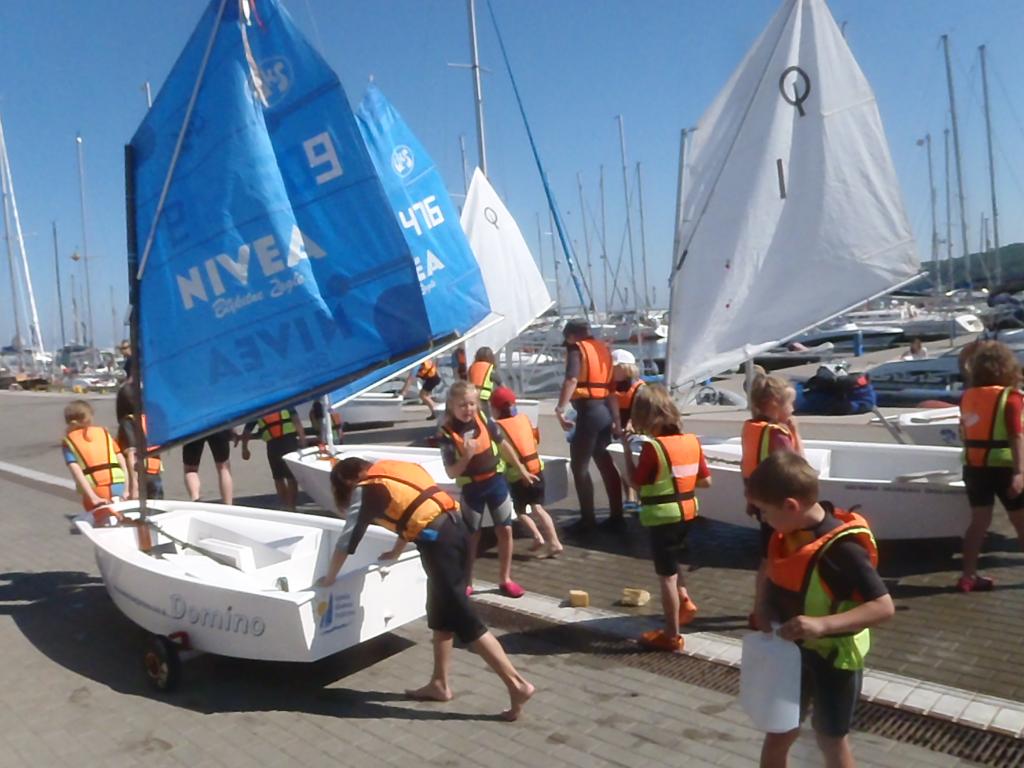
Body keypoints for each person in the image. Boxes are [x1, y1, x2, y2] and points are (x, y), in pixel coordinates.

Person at [317, 457, 534, 720]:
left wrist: (329, 578)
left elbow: (348, 538)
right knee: (440, 613)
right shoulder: (395, 470)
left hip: (440, 544)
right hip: (458, 531)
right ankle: (440, 684)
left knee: (465, 620)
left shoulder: (367, 488)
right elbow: (413, 508)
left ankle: (517, 684)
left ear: (349, 481)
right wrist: (396, 551)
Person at [747, 452, 894, 768]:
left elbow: (883, 608)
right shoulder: (787, 534)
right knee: (779, 729)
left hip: (834, 660)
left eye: (764, 512)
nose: (763, 520)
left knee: (830, 738)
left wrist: (822, 625)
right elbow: (771, 572)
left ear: (790, 506)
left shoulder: (844, 551)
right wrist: (763, 605)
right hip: (792, 655)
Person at [619, 384, 710, 652]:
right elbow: (706, 481)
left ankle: (671, 635)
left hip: (662, 518)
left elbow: (636, 484)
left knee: (666, 576)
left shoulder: (654, 448)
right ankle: (684, 601)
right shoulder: (692, 441)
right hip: (688, 514)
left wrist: (626, 452)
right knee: (674, 562)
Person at [438, 381, 537, 598]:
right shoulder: (446, 434)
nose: (468, 409)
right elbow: (451, 473)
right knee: (472, 536)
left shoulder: (484, 420)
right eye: (462, 405)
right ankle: (467, 580)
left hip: (496, 483)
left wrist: (521, 470)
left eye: (472, 404)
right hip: (472, 488)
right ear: (452, 406)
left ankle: (505, 579)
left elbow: (503, 445)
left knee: (506, 529)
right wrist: (467, 455)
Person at [956, 340, 1024, 592]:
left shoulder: (968, 396)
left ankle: (968, 576)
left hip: (974, 466)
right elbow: (1016, 435)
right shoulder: (1011, 398)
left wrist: (971, 351)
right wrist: (1019, 472)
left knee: (978, 523)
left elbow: (962, 431)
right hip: (1004, 467)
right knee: (1020, 523)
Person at [742, 374, 804, 628]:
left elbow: (747, 463)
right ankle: (771, 609)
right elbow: (797, 467)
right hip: (780, 508)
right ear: (774, 404)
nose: (793, 409)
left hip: (761, 502)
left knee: (767, 558)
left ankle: (759, 610)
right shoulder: (778, 434)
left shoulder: (751, 427)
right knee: (780, 559)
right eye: (790, 403)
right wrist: (795, 432)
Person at [555, 319, 624, 533]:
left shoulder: (577, 349)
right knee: (604, 461)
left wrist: (560, 409)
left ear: (571, 336)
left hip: (589, 413)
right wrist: (617, 421)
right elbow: (611, 391)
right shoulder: (604, 350)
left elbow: (571, 380)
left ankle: (588, 520)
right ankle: (617, 515)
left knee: (579, 467)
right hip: (603, 411)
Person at [491, 386, 564, 558]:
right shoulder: (524, 419)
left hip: (519, 476)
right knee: (538, 507)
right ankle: (553, 541)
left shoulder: (498, 428)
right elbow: (534, 440)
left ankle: (540, 538)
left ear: (495, 409)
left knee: (520, 511)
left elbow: (500, 455)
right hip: (537, 470)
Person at [62, 399, 130, 524]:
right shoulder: (104, 433)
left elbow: (77, 472)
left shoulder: (69, 442)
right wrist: (127, 489)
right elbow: (123, 462)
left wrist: (93, 497)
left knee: (101, 525)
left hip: (95, 488)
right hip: (118, 485)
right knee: (122, 521)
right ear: (89, 417)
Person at [239, 409, 308, 511]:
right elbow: (296, 421)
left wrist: (244, 448)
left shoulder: (259, 409)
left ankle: (288, 506)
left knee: (283, 477)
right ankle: (289, 506)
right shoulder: (285, 404)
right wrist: (303, 439)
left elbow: (247, 431)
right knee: (284, 477)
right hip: (284, 442)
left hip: (278, 443)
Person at [115, 382, 164, 500]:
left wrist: (134, 486)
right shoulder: (149, 420)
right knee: (158, 512)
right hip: (154, 472)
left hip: (141, 475)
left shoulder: (128, 422)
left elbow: (132, 454)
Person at [612, 348, 645, 515]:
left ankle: (641, 498)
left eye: (615, 367)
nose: (612, 370)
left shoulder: (639, 388)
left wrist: (631, 424)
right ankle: (629, 498)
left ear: (625, 368)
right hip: (618, 428)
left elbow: (639, 410)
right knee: (622, 464)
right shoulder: (612, 386)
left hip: (635, 430)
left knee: (637, 465)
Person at [182, 429, 235, 505]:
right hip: (217, 424)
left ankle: (196, 500)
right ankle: (228, 504)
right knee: (223, 467)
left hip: (193, 427)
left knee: (191, 469)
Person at [467, 347, 502, 418]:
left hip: (472, 398)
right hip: (484, 399)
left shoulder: (471, 368)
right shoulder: (490, 370)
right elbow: (502, 385)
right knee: (486, 419)